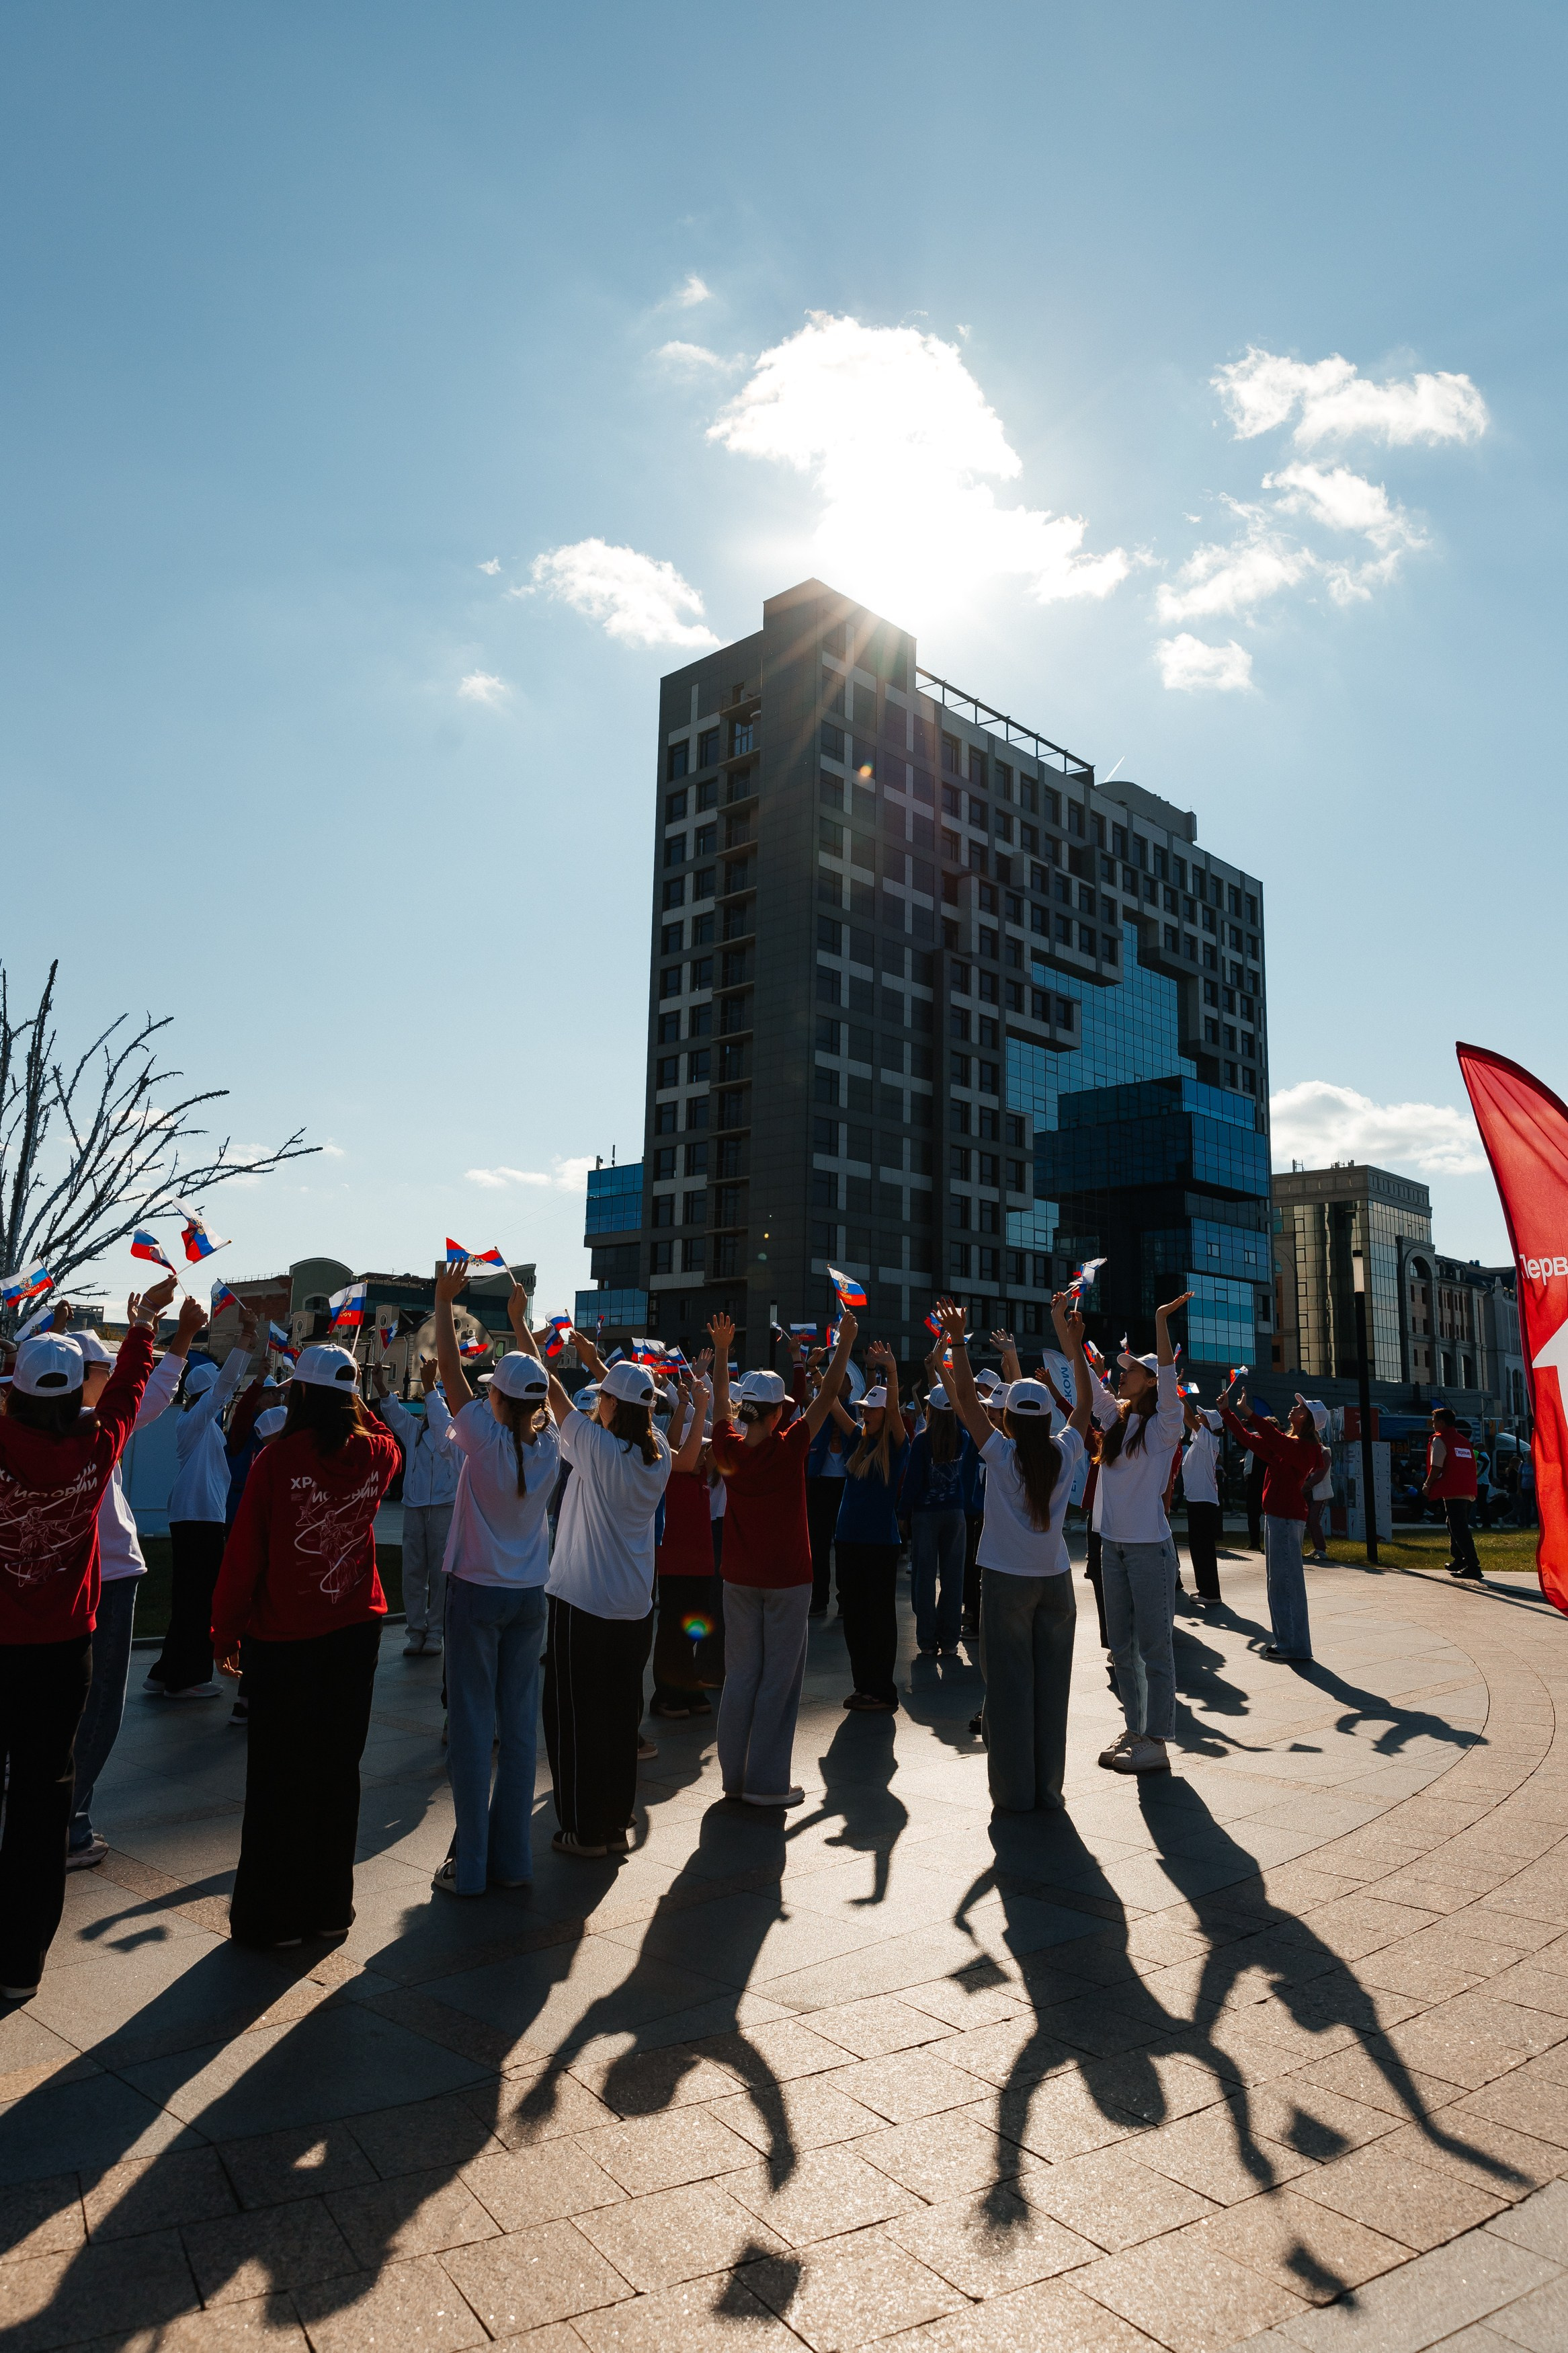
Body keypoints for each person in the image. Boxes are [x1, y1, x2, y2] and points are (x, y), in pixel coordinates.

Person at [211, 1341, 398, 1947]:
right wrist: (357, 1399)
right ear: (350, 1399)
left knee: (279, 1775)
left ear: (299, 1394)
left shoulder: (276, 1460)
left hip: (287, 1634)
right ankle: (328, 1907)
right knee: (338, 1769)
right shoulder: (377, 1454)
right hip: (354, 1629)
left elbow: (244, 1554)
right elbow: (386, 1438)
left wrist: (225, 1633)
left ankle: (274, 1917)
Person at [1, 1295, 160, 1999]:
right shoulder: (98, 1446)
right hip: (63, 1650)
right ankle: (20, 1961)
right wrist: (144, 1327)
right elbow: (126, 1392)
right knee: (42, 1799)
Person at [422, 1262, 559, 1895]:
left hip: (476, 1593)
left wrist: (443, 1303)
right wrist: (520, 1326)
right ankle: (514, 1862)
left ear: (497, 1398)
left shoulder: (483, 1437)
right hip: (529, 1597)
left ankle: (471, 1868)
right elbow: (541, 1389)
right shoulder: (549, 1446)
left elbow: (451, 1375)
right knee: (520, 1729)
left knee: (474, 1730)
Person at [937, 1295, 1091, 1812]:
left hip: (1006, 1582)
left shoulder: (1000, 1453)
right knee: (1052, 1691)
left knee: (1007, 1691)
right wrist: (1073, 1348)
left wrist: (957, 1342)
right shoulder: (1063, 1450)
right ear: (1047, 1417)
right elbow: (1084, 1406)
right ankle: (1048, 1791)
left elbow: (963, 1398)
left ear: (1006, 1415)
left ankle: (1013, 1796)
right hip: (1055, 1580)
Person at [69, 1289, 206, 1866]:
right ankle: (70, 1823)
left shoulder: (22, 1432)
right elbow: (146, 1391)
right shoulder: (99, 1433)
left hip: (53, 1580)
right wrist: (171, 1333)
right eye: (105, 1367)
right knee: (97, 1703)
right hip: (106, 1574)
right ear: (81, 1379)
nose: (115, 1373)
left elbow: (142, 1389)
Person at [708, 1309, 856, 1806]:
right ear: (776, 1415)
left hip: (738, 1578)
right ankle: (767, 1785)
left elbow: (720, 1404)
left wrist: (723, 1351)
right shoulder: (789, 1447)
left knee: (740, 1677)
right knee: (779, 1681)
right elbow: (828, 1395)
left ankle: (735, 1779)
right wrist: (845, 1343)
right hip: (788, 1579)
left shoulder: (728, 1447)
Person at [538, 1332, 671, 1860]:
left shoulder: (599, 1449)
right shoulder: (656, 1455)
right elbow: (627, 1411)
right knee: (619, 1720)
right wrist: (601, 1370)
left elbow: (553, 1394)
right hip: (634, 1608)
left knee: (574, 1719)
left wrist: (525, 1330)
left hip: (583, 1603)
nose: (597, 1406)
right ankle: (614, 1819)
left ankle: (584, 1829)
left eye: (603, 1399)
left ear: (612, 1405)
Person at [1094, 1295, 1192, 1776]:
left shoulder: (1162, 1426)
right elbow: (1089, 1387)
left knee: (1154, 1647)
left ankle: (1156, 1740)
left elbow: (1170, 1385)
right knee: (1122, 1649)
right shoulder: (1118, 1421)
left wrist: (1158, 1321)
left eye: (1131, 1370)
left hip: (1149, 1549)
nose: (1122, 1374)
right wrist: (1067, 1334)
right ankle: (1135, 1730)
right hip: (1112, 1546)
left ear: (1150, 1380)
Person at [146, 1310, 256, 1698]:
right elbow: (225, 1387)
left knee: (188, 1597)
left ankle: (165, 1672)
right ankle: (187, 1679)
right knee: (200, 1599)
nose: (224, 1399)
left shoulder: (199, 1422)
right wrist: (246, 1338)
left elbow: (223, 1390)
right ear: (206, 1393)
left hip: (195, 1515)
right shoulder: (197, 1419)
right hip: (200, 1518)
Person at [1220, 1386, 1326, 1661]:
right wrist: (1227, 1412)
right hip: (1279, 1517)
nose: (1294, 1408)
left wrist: (1248, 1412)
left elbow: (1271, 1437)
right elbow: (1251, 1440)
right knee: (1278, 1582)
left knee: (1286, 1583)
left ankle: (1294, 1646)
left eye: (1300, 1408)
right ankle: (1287, 1642)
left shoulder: (1306, 1448)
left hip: (1287, 1518)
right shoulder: (1290, 1444)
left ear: (1308, 1419)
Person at [833, 1342, 911, 1712]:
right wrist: (813, 1367)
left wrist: (891, 1371)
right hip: (848, 1539)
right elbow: (831, 1403)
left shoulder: (896, 1446)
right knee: (854, 1618)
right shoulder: (856, 1440)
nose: (864, 1413)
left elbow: (894, 1409)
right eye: (863, 1408)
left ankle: (882, 1690)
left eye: (870, 1409)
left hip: (879, 1543)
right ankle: (862, 1685)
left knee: (878, 1618)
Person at [372, 1356, 459, 1657]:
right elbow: (393, 1412)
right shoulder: (414, 1430)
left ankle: (435, 1632)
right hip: (414, 1507)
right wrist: (381, 1387)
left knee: (441, 1574)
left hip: (445, 1508)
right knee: (412, 1572)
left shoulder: (458, 1435)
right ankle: (415, 1631)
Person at [649, 1364, 720, 1718]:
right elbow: (674, 1441)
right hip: (675, 1564)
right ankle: (666, 1694)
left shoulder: (704, 1476)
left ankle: (688, 1685)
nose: (702, 1455)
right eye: (698, 1450)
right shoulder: (673, 1472)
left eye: (704, 1451)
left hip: (701, 1565)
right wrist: (683, 1405)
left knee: (694, 1628)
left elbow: (719, 1434)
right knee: (673, 1630)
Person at [899, 1383, 978, 1657]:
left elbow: (912, 1481)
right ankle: (950, 1639)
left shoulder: (922, 1441)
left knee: (924, 1577)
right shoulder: (963, 1437)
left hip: (926, 1514)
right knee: (953, 1578)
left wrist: (902, 1513)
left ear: (930, 1409)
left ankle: (927, 1640)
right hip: (955, 1513)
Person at [804, 1356, 852, 1618]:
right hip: (821, 1480)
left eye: (843, 1380)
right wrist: (812, 1368)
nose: (838, 1383)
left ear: (850, 1388)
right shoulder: (821, 1408)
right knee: (819, 1544)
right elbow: (821, 1390)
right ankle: (819, 1599)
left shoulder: (854, 1411)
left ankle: (845, 1600)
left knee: (844, 1544)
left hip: (845, 1482)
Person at [1424, 1406, 1482, 1581]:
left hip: (1453, 1488)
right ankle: (1459, 1559)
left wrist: (1428, 1484)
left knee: (1459, 1527)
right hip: (1468, 1488)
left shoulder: (1440, 1440)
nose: (1433, 1425)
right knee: (1454, 1523)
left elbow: (1437, 1466)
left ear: (1442, 1422)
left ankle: (1473, 1565)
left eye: (1434, 1421)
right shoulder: (1463, 1441)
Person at [1179, 1396, 1225, 1606]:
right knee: (1200, 1547)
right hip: (1200, 1499)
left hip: (1202, 1501)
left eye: (1203, 1416)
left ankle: (1210, 1592)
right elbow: (1188, 1417)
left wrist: (1178, 1393)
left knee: (1202, 1548)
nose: (1199, 1417)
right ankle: (1208, 1590)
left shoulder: (1207, 1438)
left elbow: (1188, 1416)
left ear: (1209, 1425)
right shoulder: (1203, 1441)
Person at [1303, 1401, 1333, 1563]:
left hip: (1320, 1492)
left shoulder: (1324, 1453)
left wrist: (1306, 1485)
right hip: (1310, 1492)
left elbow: (1320, 1474)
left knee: (1314, 1519)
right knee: (1309, 1521)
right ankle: (1317, 1548)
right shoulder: (1313, 1452)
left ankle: (1322, 1549)